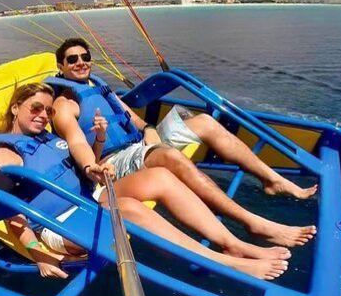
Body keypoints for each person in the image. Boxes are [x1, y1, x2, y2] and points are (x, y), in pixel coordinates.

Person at [0, 83, 289, 280]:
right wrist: (39, 254)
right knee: (124, 207)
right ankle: (223, 263)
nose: (44, 115)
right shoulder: (5, 152)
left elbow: (81, 159)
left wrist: (97, 151)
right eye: (35, 108)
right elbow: (6, 210)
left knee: (161, 176)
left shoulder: (46, 138)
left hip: (90, 198)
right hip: (58, 225)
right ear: (16, 108)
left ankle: (234, 244)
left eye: (47, 109)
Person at [46, 38, 317, 248]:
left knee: (205, 122)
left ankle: (272, 180)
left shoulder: (100, 87)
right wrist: (90, 167)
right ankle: (252, 222)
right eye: (72, 59)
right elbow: (78, 144)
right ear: (61, 67)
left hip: (141, 144)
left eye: (85, 57)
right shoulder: (64, 106)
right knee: (169, 156)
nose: (81, 62)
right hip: (114, 161)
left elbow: (135, 121)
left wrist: (150, 128)